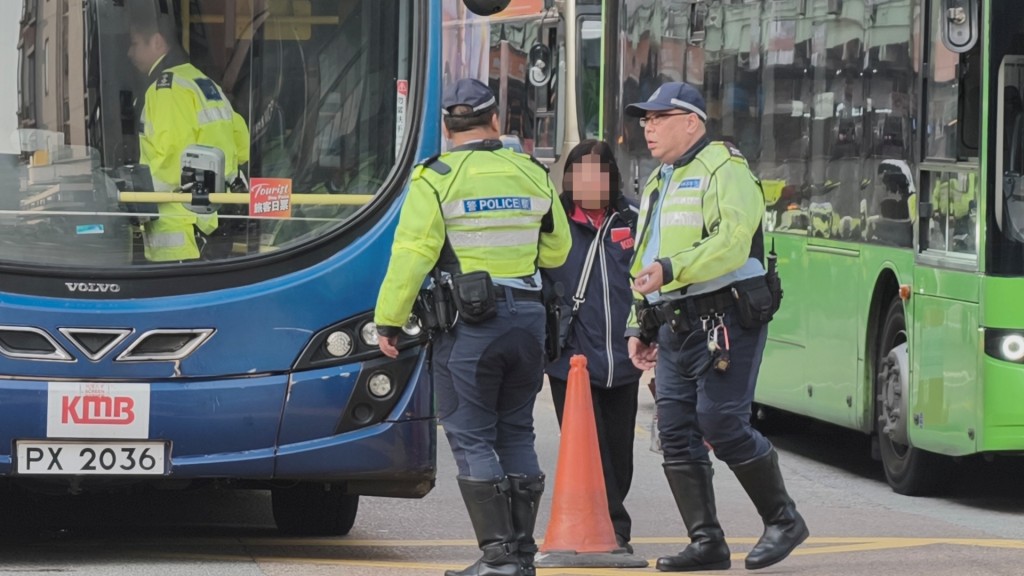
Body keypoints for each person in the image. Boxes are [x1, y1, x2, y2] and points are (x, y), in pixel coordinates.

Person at [374, 78, 570, 576]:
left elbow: (413, 255)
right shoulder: (530, 171)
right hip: (527, 320)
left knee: (471, 435)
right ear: (495, 122)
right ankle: (522, 555)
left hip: (470, 327)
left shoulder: (435, 176)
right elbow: (557, 250)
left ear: (447, 126)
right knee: (517, 432)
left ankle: (498, 557)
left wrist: (389, 322)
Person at [623, 82, 808, 572]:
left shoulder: (725, 168)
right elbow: (645, 254)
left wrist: (670, 268)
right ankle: (707, 543)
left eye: (659, 118)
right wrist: (639, 322)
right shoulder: (660, 177)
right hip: (675, 323)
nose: (649, 127)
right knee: (676, 429)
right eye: (645, 119)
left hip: (726, 317)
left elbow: (731, 242)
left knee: (722, 422)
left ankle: (784, 519)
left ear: (692, 122)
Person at [540, 139, 642, 553]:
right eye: (580, 173)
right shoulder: (553, 223)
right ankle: (613, 530)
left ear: (612, 178)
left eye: (599, 173)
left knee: (620, 456)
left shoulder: (634, 220)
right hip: (571, 361)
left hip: (624, 359)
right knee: (591, 450)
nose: (590, 181)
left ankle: (611, 522)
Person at [129, 14, 250, 262]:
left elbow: (171, 161)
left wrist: (132, 197)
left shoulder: (165, 90)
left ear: (157, 42)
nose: (130, 53)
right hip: (213, 223)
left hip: (181, 233)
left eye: (135, 44)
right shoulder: (203, 82)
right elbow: (241, 143)